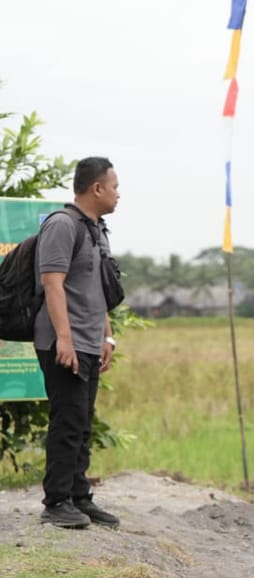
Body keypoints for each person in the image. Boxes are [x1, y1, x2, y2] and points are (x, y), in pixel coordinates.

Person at [35, 157, 121, 529]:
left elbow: (98, 288)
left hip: (89, 340)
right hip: (63, 342)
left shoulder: (97, 230)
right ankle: (56, 502)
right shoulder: (62, 224)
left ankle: (79, 497)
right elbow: (52, 284)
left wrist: (106, 336)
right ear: (96, 188)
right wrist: (64, 340)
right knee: (67, 422)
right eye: (115, 187)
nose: (118, 194)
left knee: (83, 423)